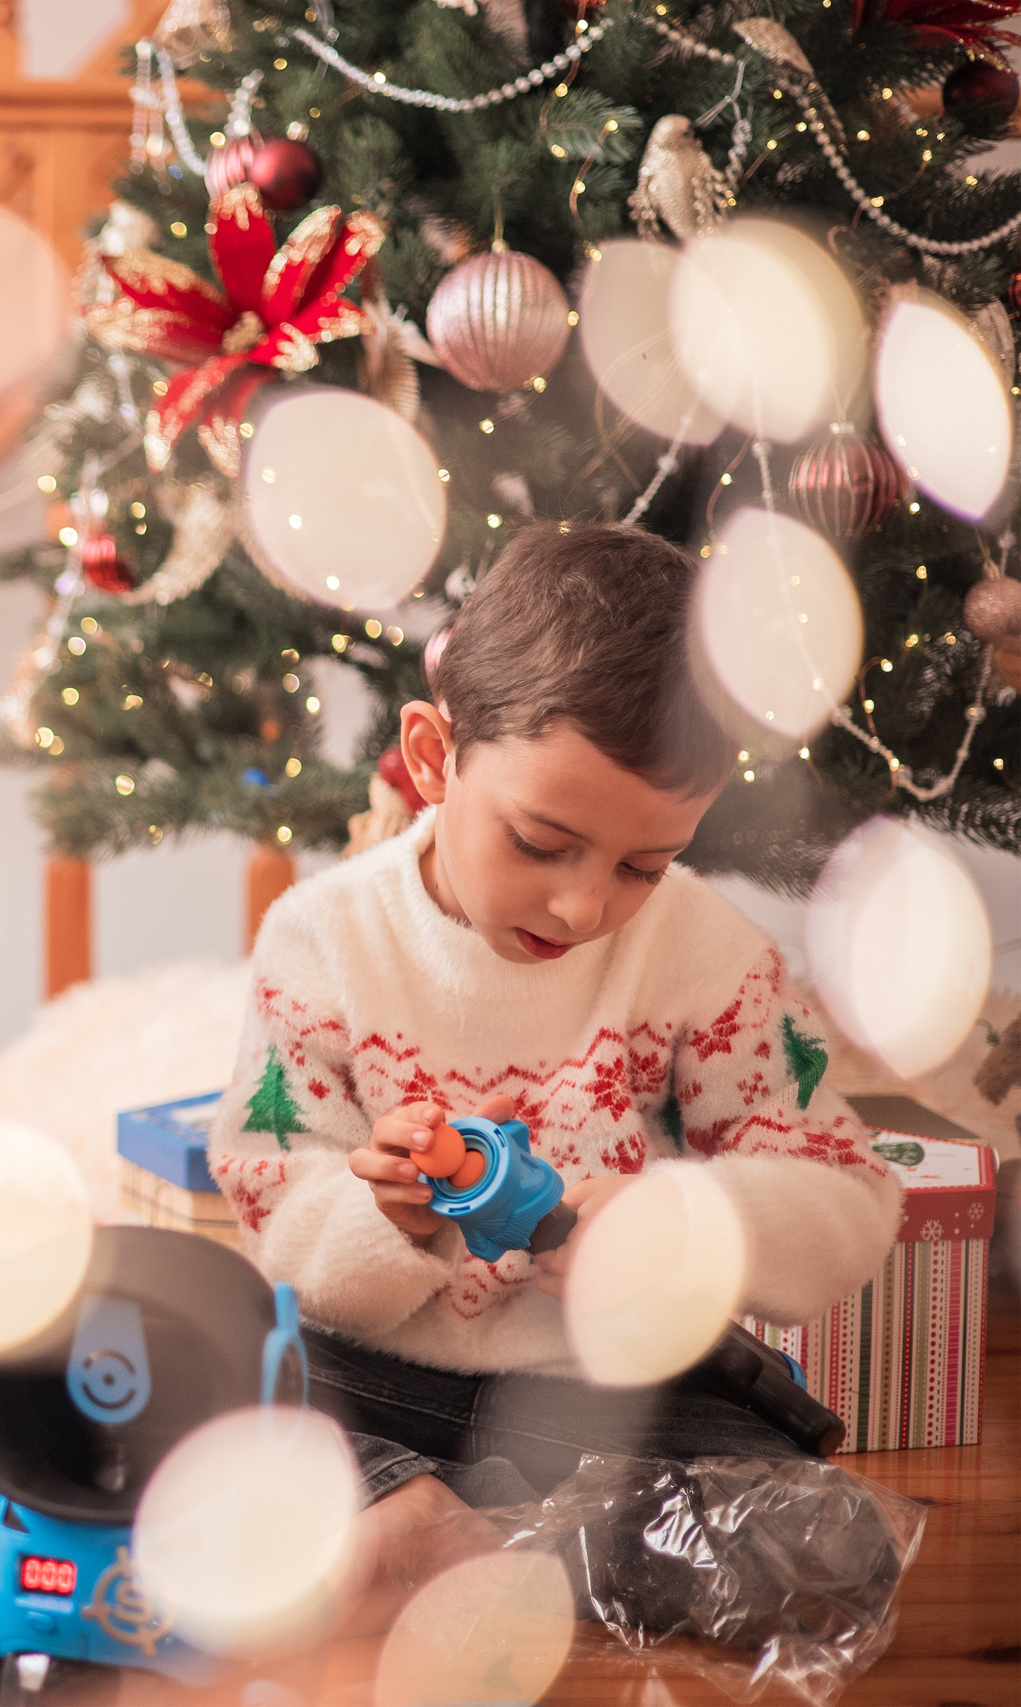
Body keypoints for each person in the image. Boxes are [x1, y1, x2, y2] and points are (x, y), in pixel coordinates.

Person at [207, 520, 902, 1624]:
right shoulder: (322, 939)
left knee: (834, 1553)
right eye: (538, 843)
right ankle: (432, 1510)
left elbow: (846, 1204)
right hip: (365, 1374)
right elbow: (273, 1205)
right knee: (154, 1387)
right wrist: (390, 1218)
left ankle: (457, 1538)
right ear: (435, 759)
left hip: (613, 1398)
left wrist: (679, 1225)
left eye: (644, 864)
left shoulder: (708, 958)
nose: (583, 908)